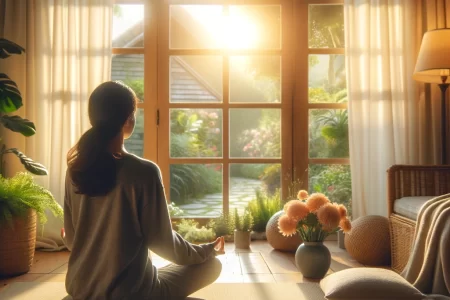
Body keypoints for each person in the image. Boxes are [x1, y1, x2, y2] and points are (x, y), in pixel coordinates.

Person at [62, 81, 224, 300]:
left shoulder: (75, 169)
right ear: (129, 119)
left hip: (80, 291)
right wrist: (206, 250)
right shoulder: (143, 172)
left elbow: (72, 241)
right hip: (133, 294)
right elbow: (164, 244)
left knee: (161, 272)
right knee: (212, 265)